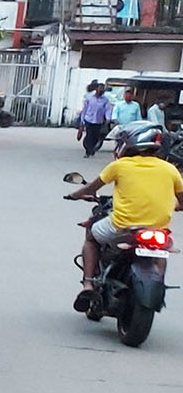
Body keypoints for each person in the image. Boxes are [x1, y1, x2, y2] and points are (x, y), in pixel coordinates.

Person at [70, 128, 183, 302]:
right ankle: (158, 288)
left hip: (122, 226)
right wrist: (177, 206)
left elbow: (91, 188)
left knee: (91, 236)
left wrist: (74, 195)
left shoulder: (120, 166)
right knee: (160, 252)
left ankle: (88, 284)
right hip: (158, 230)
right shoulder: (170, 169)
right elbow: (181, 199)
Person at [77, 82, 114, 156]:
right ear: (96, 89)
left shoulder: (105, 100)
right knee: (89, 135)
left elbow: (107, 110)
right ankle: (88, 151)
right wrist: (82, 120)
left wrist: (108, 118)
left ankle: (91, 148)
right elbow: (85, 109)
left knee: (96, 137)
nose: (101, 90)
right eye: (100, 88)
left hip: (98, 121)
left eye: (102, 89)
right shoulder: (89, 98)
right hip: (89, 119)